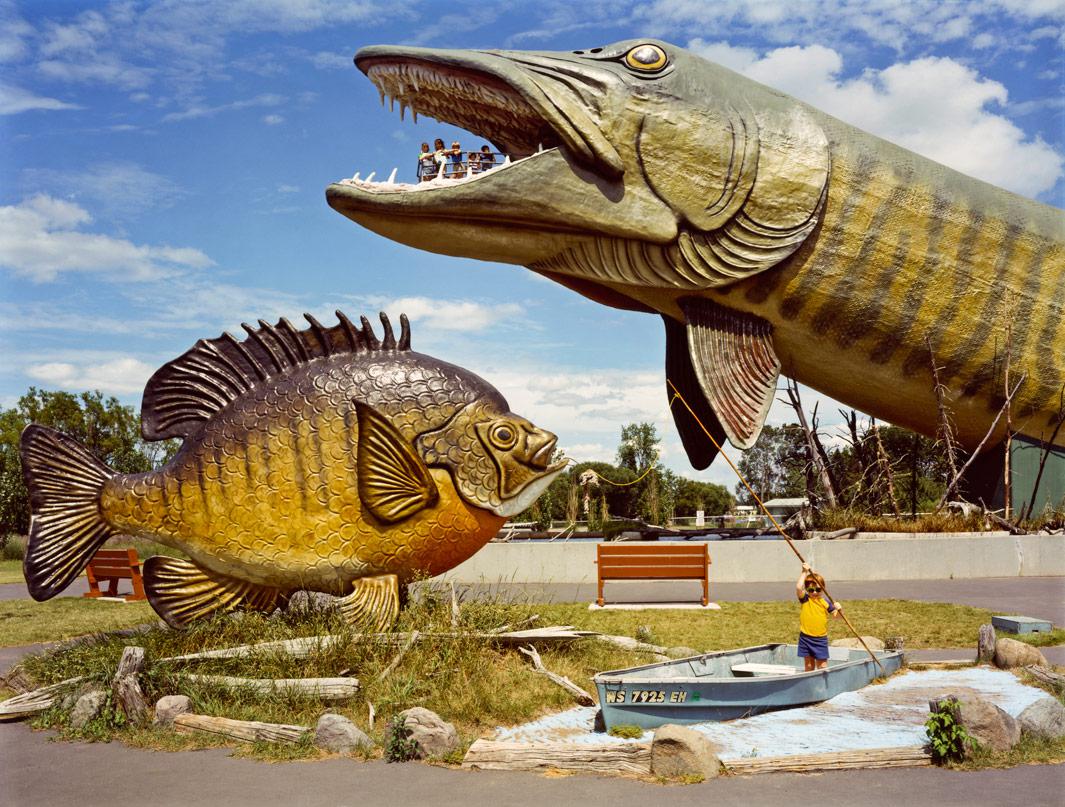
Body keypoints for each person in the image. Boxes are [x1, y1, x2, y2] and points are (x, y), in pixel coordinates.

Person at [796, 562, 842, 671]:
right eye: (811, 590)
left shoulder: (825, 602)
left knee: (822, 667)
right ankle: (809, 684)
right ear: (807, 590)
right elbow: (798, 587)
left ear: (823, 588)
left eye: (818, 589)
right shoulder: (806, 599)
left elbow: (837, 617)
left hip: (820, 639)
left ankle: (822, 686)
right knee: (808, 666)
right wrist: (804, 572)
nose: (815, 592)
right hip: (805, 637)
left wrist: (840, 610)